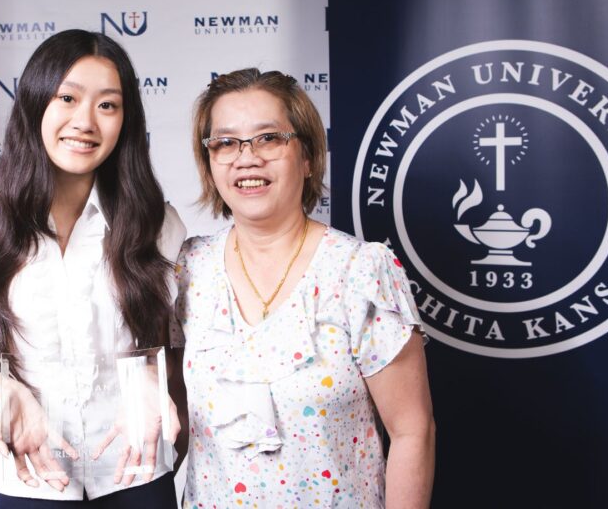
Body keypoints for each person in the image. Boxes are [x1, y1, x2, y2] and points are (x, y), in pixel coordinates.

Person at [0, 30, 186, 508]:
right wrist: (8, 392)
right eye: (67, 98)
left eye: (108, 105)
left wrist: (152, 378)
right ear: (35, 103)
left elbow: (167, 345)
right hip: (30, 472)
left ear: (125, 121)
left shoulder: (156, 224)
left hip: (135, 469)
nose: (85, 121)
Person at [175, 68, 435, 508]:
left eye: (268, 138)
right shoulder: (189, 267)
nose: (246, 158)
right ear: (209, 162)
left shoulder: (360, 270)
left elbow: (413, 433)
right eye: (225, 142)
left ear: (309, 156)